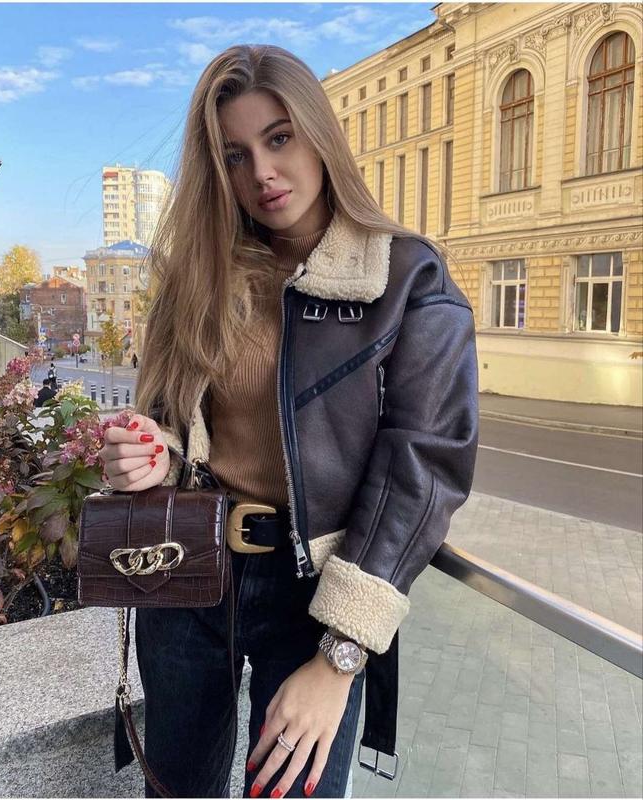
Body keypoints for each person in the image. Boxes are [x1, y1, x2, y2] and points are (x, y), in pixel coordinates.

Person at [99, 44, 478, 799]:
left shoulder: (407, 277)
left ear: (319, 135)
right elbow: (168, 420)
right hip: (188, 571)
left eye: (279, 138)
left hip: (317, 598)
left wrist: (340, 658)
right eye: (234, 155)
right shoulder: (200, 275)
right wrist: (148, 454)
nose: (262, 174)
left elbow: (424, 472)